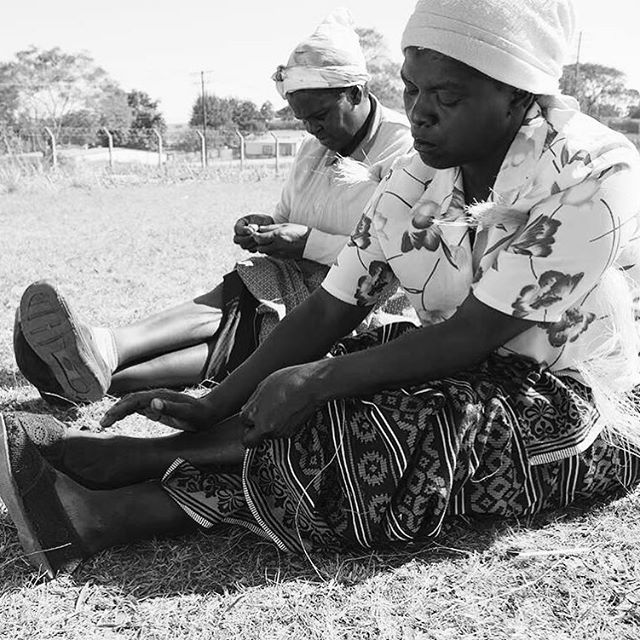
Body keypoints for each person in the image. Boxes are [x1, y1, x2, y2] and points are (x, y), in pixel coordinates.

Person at [2, 0, 640, 579]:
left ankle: (109, 509)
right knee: (324, 372)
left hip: (567, 398)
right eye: (412, 88)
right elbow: (334, 304)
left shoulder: (590, 172)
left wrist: (317, 381)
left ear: (517, 94)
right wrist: (216, 402)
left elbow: (478, 333)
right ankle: (153, 458)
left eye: (446, 96)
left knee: (391, 429)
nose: (419, 111)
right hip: (461, 363)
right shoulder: (416, 178)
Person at [13, 8, 414, 405]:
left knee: (250, 328)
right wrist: (267, 227)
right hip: (290, 282)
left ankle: (96, 362)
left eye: (320, 116)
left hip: (358, 303)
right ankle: (102, 358)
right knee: (242, 300)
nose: (311, 128)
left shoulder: (404, 148)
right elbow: (287, 217)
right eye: (302, 119)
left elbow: (392, 254)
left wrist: (307, 241)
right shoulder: (313, 149)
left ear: (356, 92)